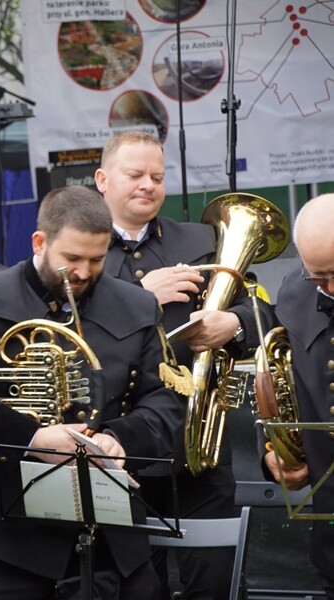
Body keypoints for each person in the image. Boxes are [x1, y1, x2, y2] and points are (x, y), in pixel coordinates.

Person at [0, 185, 182, 599]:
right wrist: (34, 439)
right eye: (71, 259)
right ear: (40, 242)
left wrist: (118, 438)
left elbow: (165, 397)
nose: (85, 272)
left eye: (97, 258)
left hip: (110, 536)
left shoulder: (139, 305)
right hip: (3, 539)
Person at [95, 130, 270, 599]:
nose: (148, 185)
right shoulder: (80, 248)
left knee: (215, 584)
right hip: (117, 448)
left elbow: (265, 314)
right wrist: (137, 297)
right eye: (135, 175)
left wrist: (230, 325)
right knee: (132, 588)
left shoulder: (200, 239)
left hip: (199, 454)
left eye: (157, 175)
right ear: (102, 180)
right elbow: (64, 332)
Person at [263, 193, 334, 599]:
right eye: (318, 275)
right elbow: (277, 375)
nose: (328, 288)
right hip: (330, 534)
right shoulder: (297, 287)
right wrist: (274, 448)